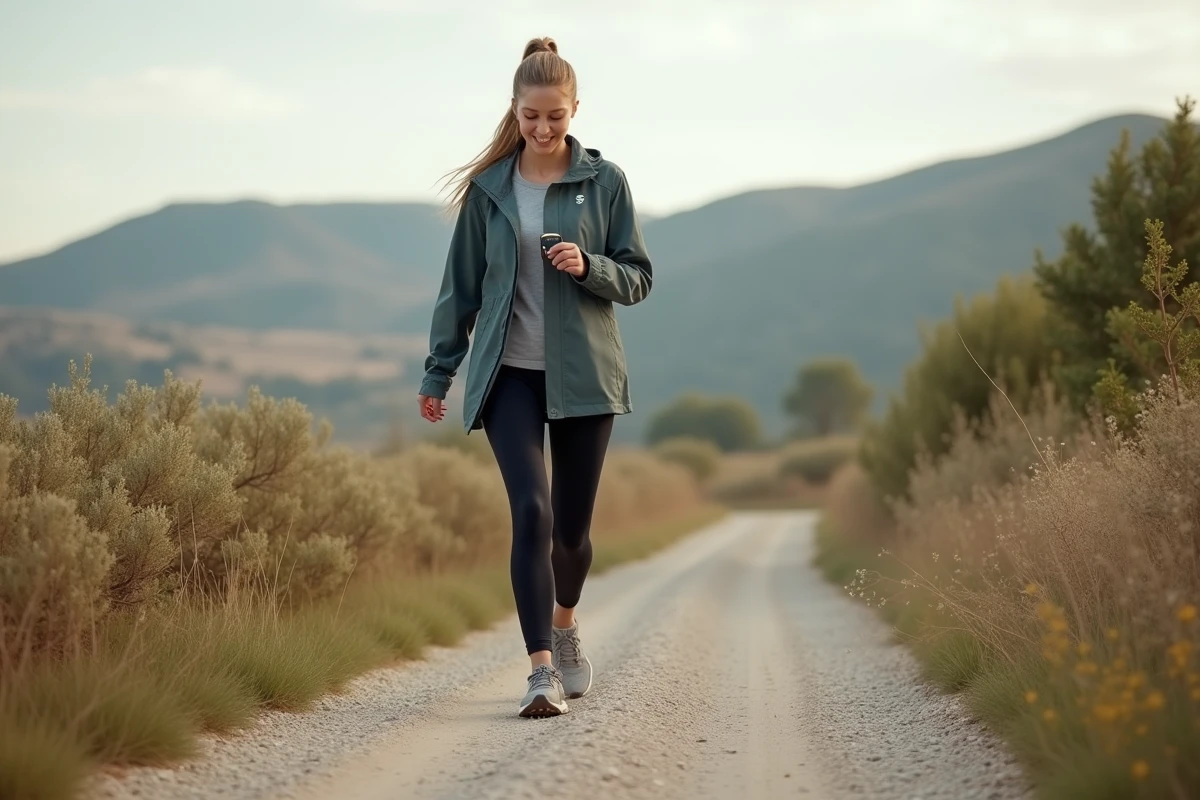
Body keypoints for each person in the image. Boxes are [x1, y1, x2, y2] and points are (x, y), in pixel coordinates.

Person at [416, 36, 652, 718]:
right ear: (514, 112)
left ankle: (566, 625)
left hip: (586, 379)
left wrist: (591, 267)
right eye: (531, 117)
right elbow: (458, 288)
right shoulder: (489, 191)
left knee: (571, 534)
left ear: (575, 109)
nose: (543, 129)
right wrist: (439, 373)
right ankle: (541, 671)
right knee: (531, 511)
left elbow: (638, 277)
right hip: (508, 376)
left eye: (555, 116)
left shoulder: (605, 183)